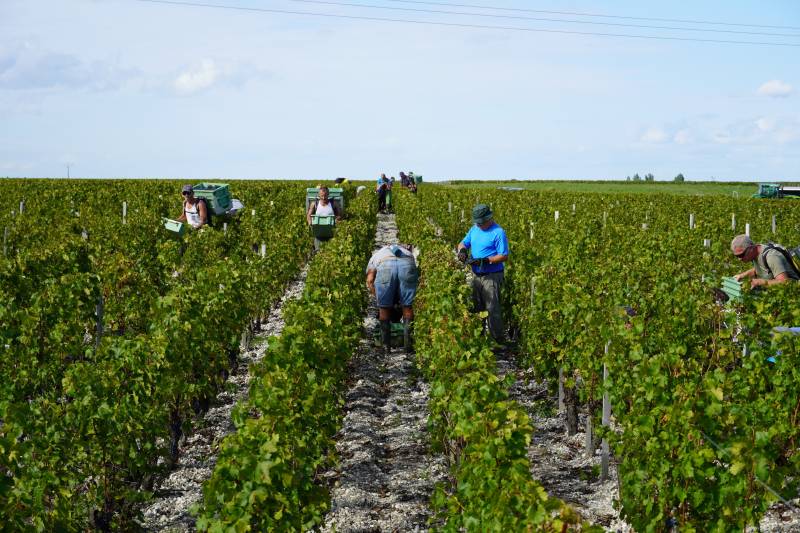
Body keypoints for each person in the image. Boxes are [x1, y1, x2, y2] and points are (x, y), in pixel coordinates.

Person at [457, 204, 509, 345]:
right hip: (476, 275)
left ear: (489, 219)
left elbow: (504, 255)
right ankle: (478, 339)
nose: (479, 225)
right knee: (476, 308)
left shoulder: (498, 232)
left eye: (481, 223)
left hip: (491, 276)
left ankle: (497, 342)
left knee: (492, 309)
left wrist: (486, 260)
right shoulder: (475, 229)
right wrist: (462, 251)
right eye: (477, 222)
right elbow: (463, 242)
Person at [366, 244, 419, 353]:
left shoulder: (376, 256)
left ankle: (385, 347)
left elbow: (370, 280)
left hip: (386, 266)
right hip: (407, 264)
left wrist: (379, 298)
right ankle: (408, 346)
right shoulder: (408, 253)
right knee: (408, 306)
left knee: (384, 309)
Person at [731, 234, 800, 288]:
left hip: (792, 291)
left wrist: (760, 282)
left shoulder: (771, 257)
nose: (739, 259)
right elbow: (762, 268)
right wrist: (743, 275)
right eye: (736, 256)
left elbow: (784, 282)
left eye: (741, 255)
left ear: (751, 248)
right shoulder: (756, 252)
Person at [306, 186, 341, 251]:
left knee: (331, 252)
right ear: (319, 195)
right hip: (318, 235)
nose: (323, 198)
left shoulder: (334, 204)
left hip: (331, 234)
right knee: (318, 251)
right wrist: (309, 221)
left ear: (328, 195)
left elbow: (339, 215)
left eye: (325, 196)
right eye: (322, 196)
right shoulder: (314, 204)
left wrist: (337, 219)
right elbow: (309, 215)